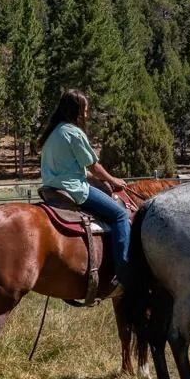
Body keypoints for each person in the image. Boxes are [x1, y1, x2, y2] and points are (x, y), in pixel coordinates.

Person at [36, 88, 132, 292]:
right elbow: (93, 166)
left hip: (52, 189)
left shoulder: (53, 133)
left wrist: (100, 180)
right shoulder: (73, 133)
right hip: (74, 190)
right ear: (77, 111)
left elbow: (75, 168)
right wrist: (113, 180)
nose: (86, 114)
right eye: (85, 110)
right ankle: (125, 273)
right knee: (120, 215)